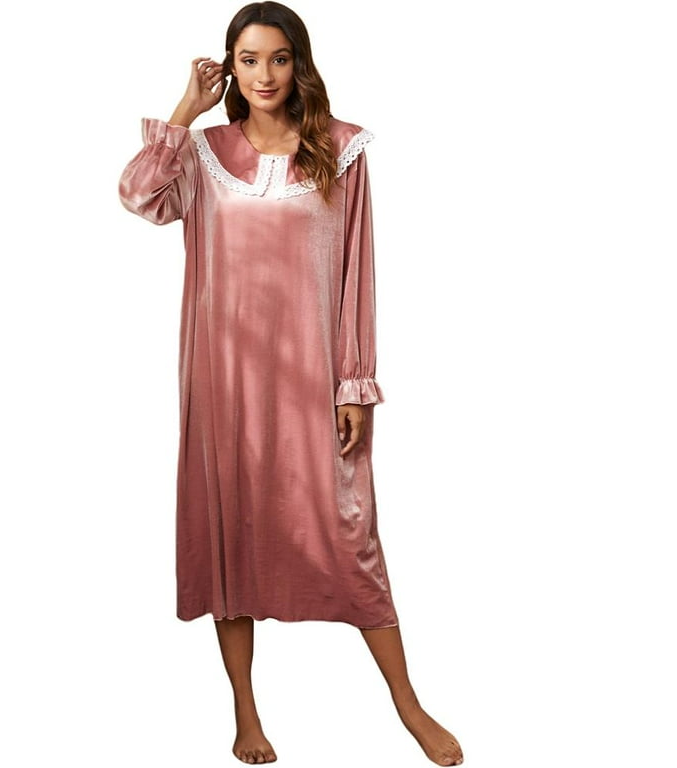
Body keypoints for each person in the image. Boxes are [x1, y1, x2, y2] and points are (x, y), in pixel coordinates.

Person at [118, 2, 463, 765]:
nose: (264, 74)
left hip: (311, 382)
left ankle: (408, 705)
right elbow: (139, 196)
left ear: (298, 63)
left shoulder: (341, 150)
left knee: (350, 535)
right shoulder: (203, 154)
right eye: (248, 60)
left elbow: (356, 271)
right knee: (229, 537)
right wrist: (184, 110)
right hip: (223, 386)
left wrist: (354, 383)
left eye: (278, 58)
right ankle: (245, 712)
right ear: (229, 67)